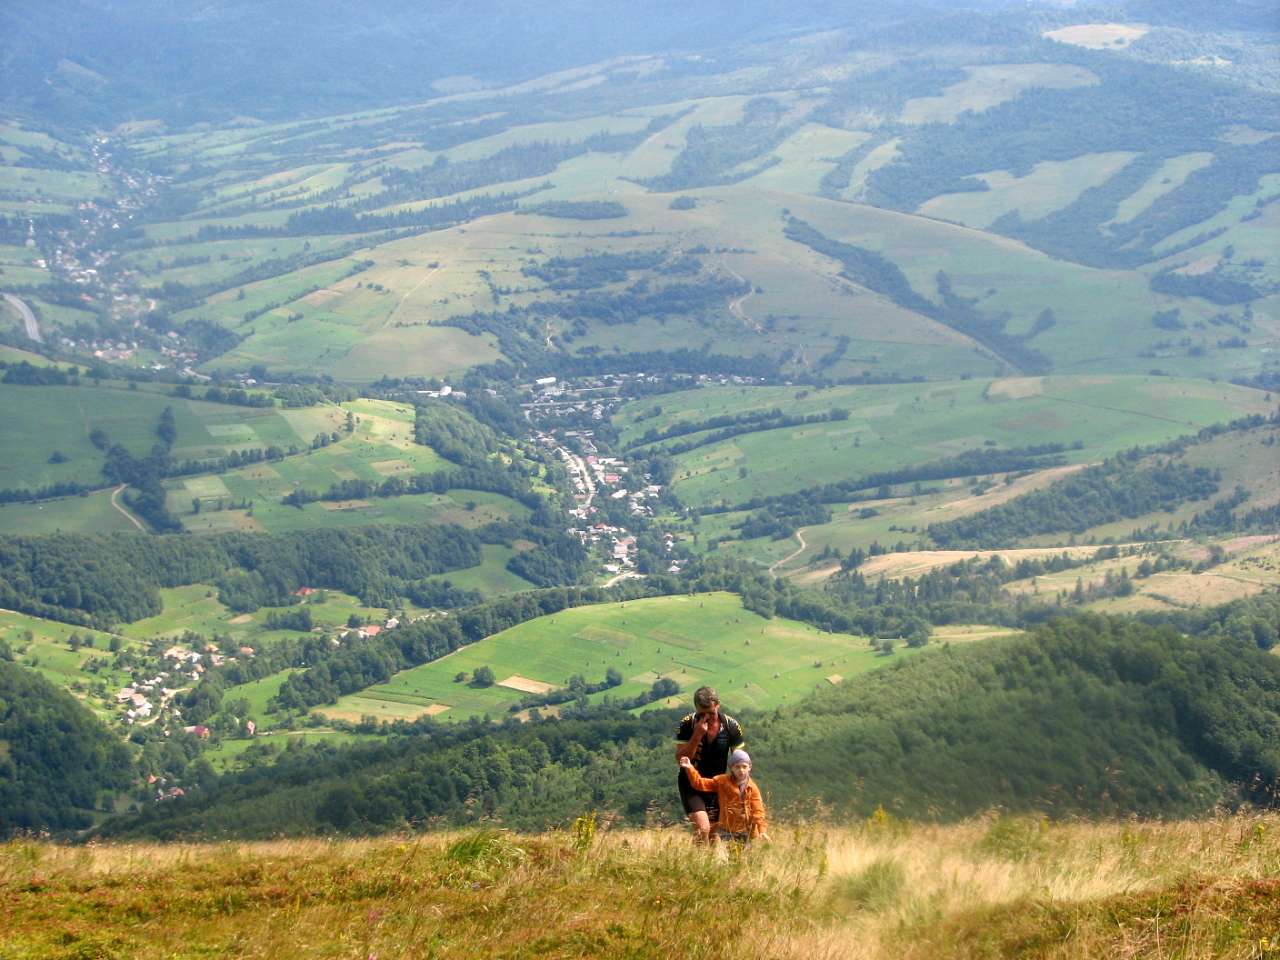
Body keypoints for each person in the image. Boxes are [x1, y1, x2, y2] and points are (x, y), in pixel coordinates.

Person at [675, 685, 745, 842]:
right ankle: (697, 863)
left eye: (711, 713)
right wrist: (697, 735)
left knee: (714, 835)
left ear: (718, 705)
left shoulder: (731, 726)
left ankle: (702, 864)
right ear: (695, 709)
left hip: (716, 785)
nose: (707, 718)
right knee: (703, 828)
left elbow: (740, 762)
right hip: (691, 784)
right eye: (702, 714)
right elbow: (681, 759)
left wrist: (739, 790)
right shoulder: (687, 724)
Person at [678, 749, 768, 842]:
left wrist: (762, 830)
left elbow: (758, 811)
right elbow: (699, 784)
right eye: (737, 767)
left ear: (750, 767)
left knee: (740, 857)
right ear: (731, 768)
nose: (741, 770)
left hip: (746, 832)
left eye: (744, 767)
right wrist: (689, 767)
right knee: (725, 855)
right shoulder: (722, 781)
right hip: (726, 830)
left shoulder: (752, 788)